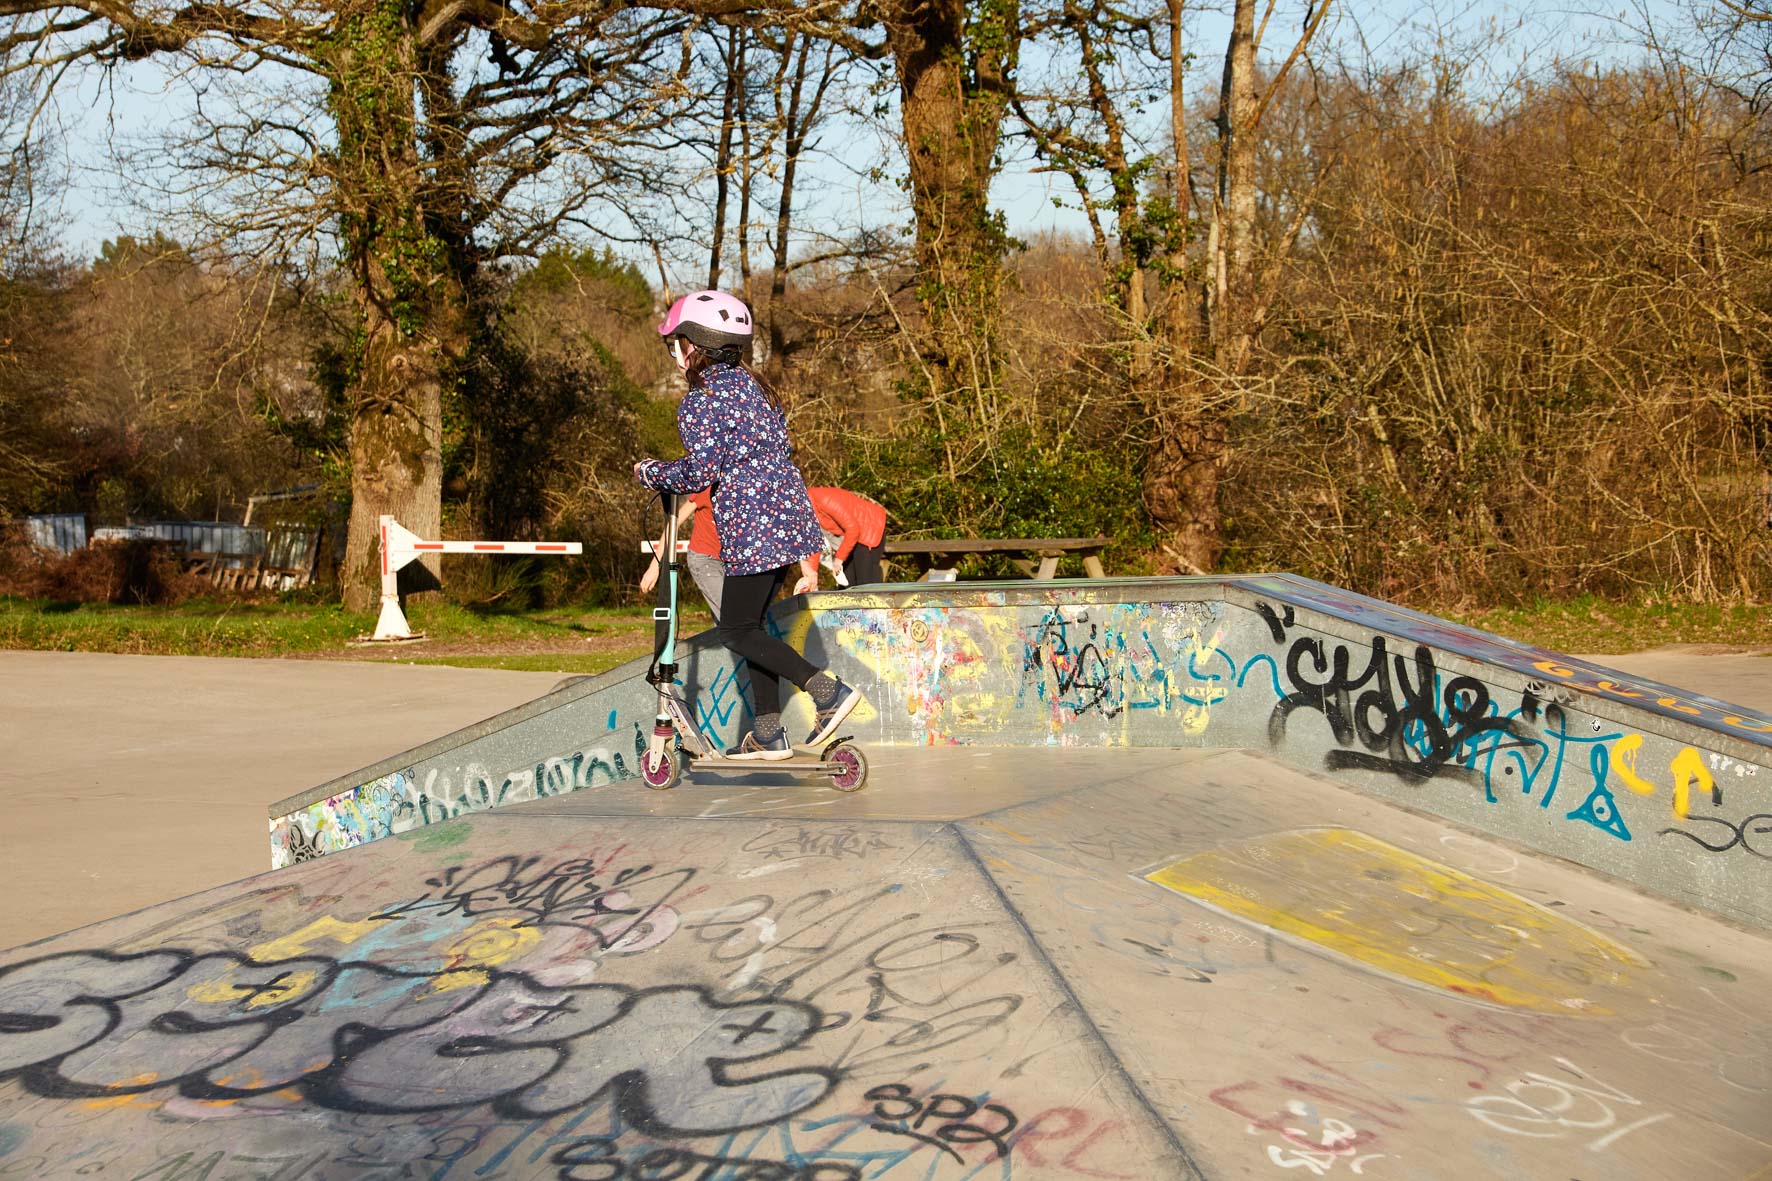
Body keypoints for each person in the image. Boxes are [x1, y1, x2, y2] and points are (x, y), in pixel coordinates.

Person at [633, 289, 862, 760]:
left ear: (693, 345)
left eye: (675, 343)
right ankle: (768, 732)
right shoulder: (756, 390)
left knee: (737, 631)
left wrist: (649, 471)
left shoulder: (700, 402)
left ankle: (827, 692)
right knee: (753, 629)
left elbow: (700, 473)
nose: (674, 353)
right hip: (789, 523)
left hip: (753, 530)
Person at [640, 487, 723, 621]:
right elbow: (673, 524)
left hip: (732, 562)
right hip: (704, 559)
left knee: (726, 620)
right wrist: (654, 566)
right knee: (731, 616)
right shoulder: (707, 489)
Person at [807, 486, 888, 587]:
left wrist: (839, 559)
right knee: (848, 584)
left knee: (866, 583)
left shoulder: (824, 499)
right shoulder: (806, 511)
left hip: (869, 530)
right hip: (850, 538)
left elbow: (853, 529)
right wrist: (812, 573)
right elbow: (813, 541)